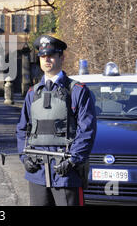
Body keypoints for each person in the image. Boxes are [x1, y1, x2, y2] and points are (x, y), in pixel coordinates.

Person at [16, 35, 97, 206]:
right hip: (37, 171)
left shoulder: (77, 91)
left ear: (62, 57)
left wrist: (73, 160)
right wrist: (24, 157)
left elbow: (87, 130)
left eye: (51, 55)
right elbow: (23, 128)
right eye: (43, 56)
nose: (47, 59)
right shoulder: (32, 93)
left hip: (66, 173)